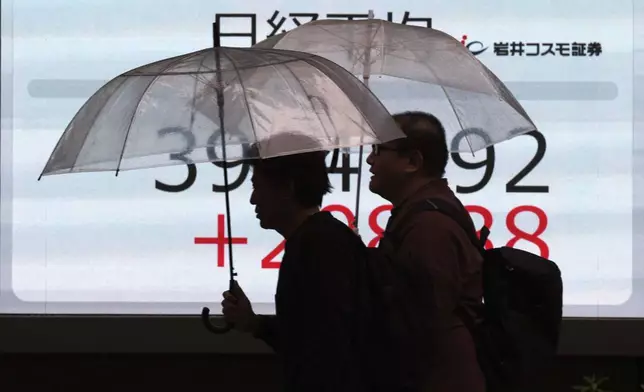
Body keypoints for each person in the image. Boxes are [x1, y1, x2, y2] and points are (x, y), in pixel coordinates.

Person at [220, 134, 370, 392]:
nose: (253, 199)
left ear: (288, 188)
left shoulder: (321, 245)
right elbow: (305, 334)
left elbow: (328, 345)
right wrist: (254, 323)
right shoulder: (315, 239)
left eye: (258, 186)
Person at [366, 111, 486, 392]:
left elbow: (421, 323)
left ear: (412, 162)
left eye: (379, 150)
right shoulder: (421, 214)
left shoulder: (429, 228)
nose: (370, 160)